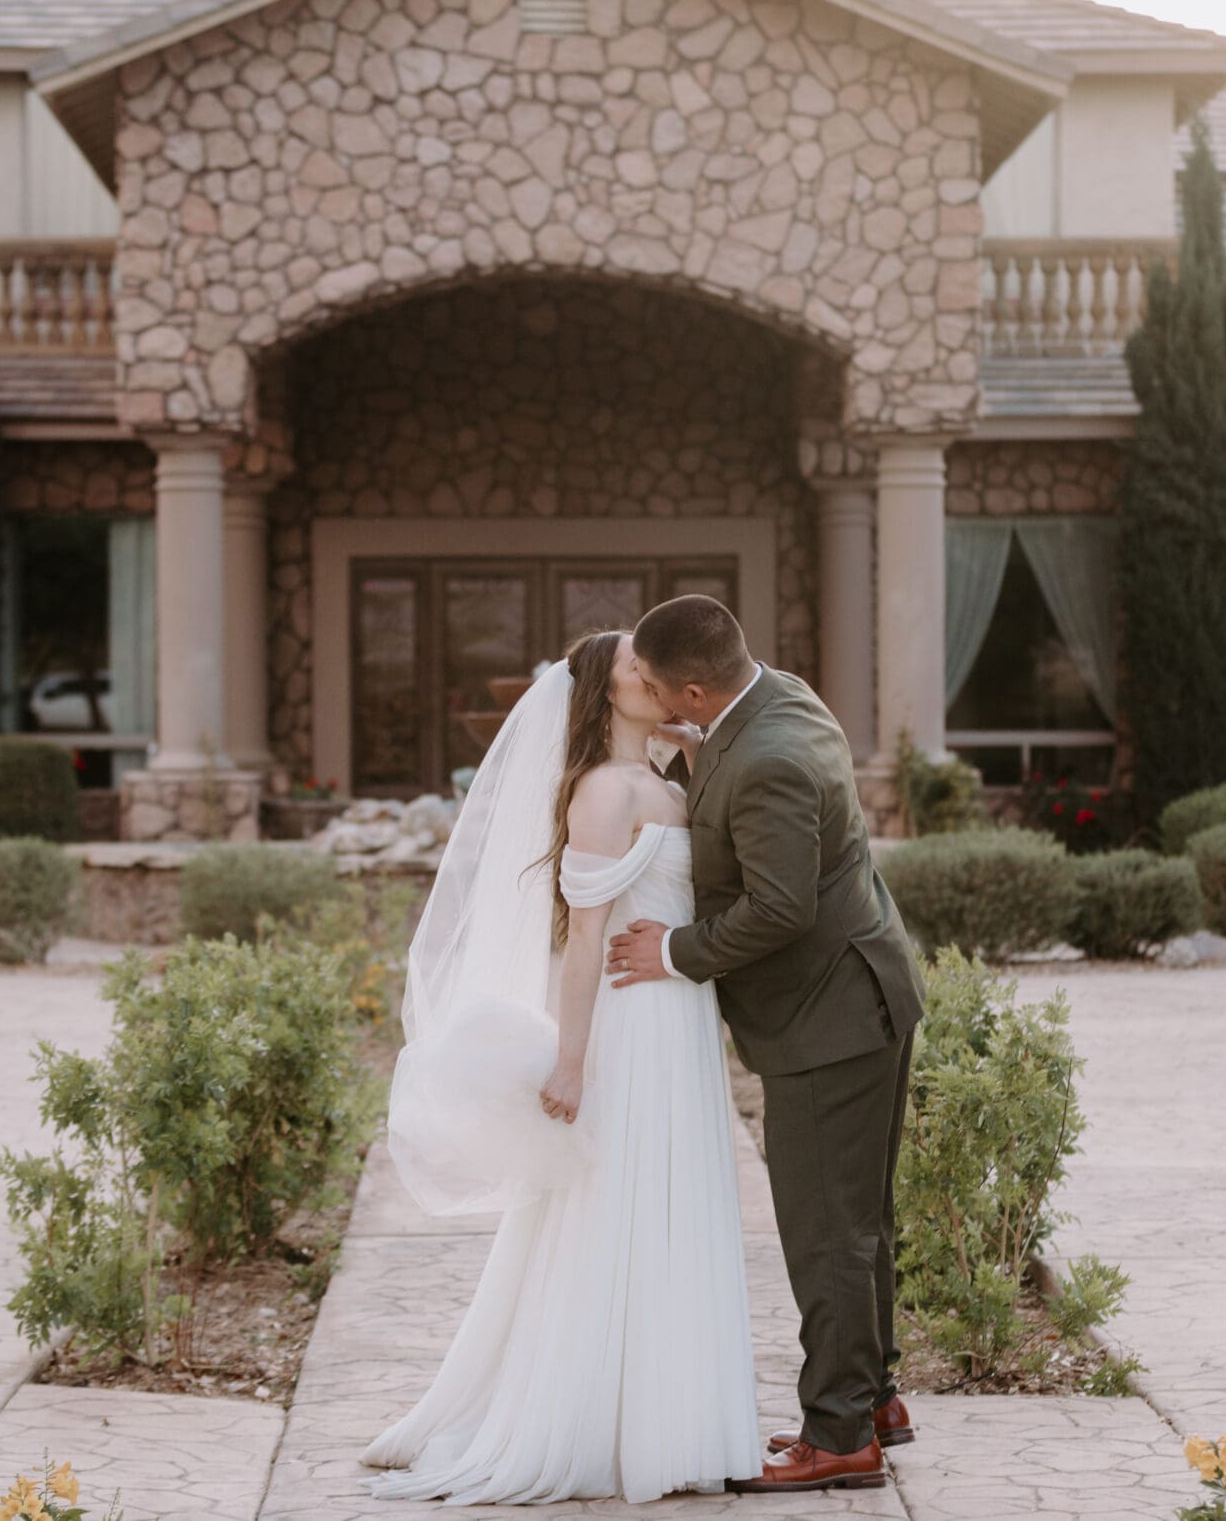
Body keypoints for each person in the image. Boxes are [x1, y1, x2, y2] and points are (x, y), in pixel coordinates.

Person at [363, 629, 762, 1503]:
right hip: (634, 1024)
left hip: (681, 1016)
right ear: (603, 693)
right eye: (634, 668)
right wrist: (572, 1059)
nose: (652, 676)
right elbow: (583, 940)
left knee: (678, 1198)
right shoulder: (599, 793)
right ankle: (607, 1421)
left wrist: (692, 749)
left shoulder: (663, 776)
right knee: (619, 1202)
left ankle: (675, 1411)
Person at [607, 594, 926, 1496]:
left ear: (698, 687)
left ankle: (838, 1437)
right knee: (859, 1219)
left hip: (830, 1017)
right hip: (864, 994)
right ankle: (875, 1400)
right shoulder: (778, 694)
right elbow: (736, 766)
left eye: (670, 692)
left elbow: (780, 908)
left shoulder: (771, 758)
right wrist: (697, 746)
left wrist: (671, 950)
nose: (661, 703)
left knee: (827, 1234)